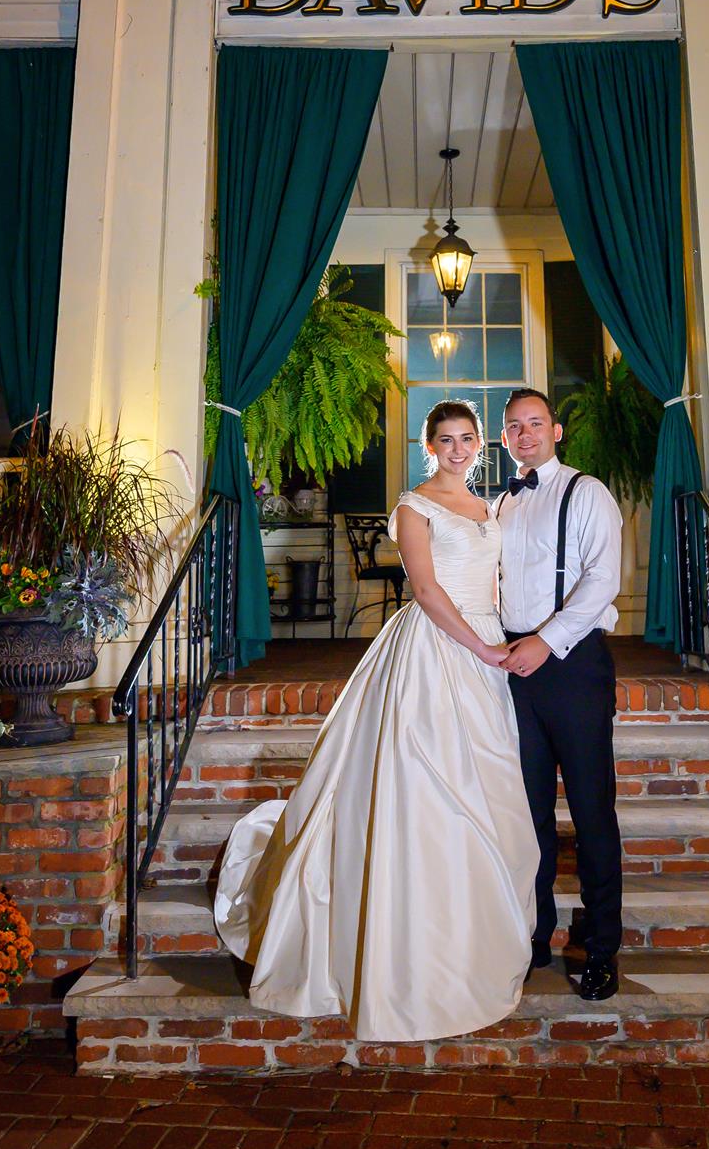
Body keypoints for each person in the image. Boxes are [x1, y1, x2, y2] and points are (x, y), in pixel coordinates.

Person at [212, 399, 538, 1042]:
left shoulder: (491, 507)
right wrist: (480, 648)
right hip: (439, 648)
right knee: (425, 782)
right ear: (429, 446)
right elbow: (426, 589)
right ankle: (404, 945)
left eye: (467, 438)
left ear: (480, 444)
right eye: (445, 439)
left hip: (489, 648)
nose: (458, 449)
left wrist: (504, 640)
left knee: (487, 782)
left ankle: (472, 928)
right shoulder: (414, 506)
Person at [495, 387, 624, 1001]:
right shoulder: (500, 503)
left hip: (573, 665)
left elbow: (603, 580)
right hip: (513, 668)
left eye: (535, 423)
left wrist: (545, 642)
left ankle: (601, 948)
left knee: (592, 810)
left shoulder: (587, 492)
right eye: (515, 426)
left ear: (556, 430)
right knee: (528, 814)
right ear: (504, 439)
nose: (526, 434)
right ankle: (535, 934)